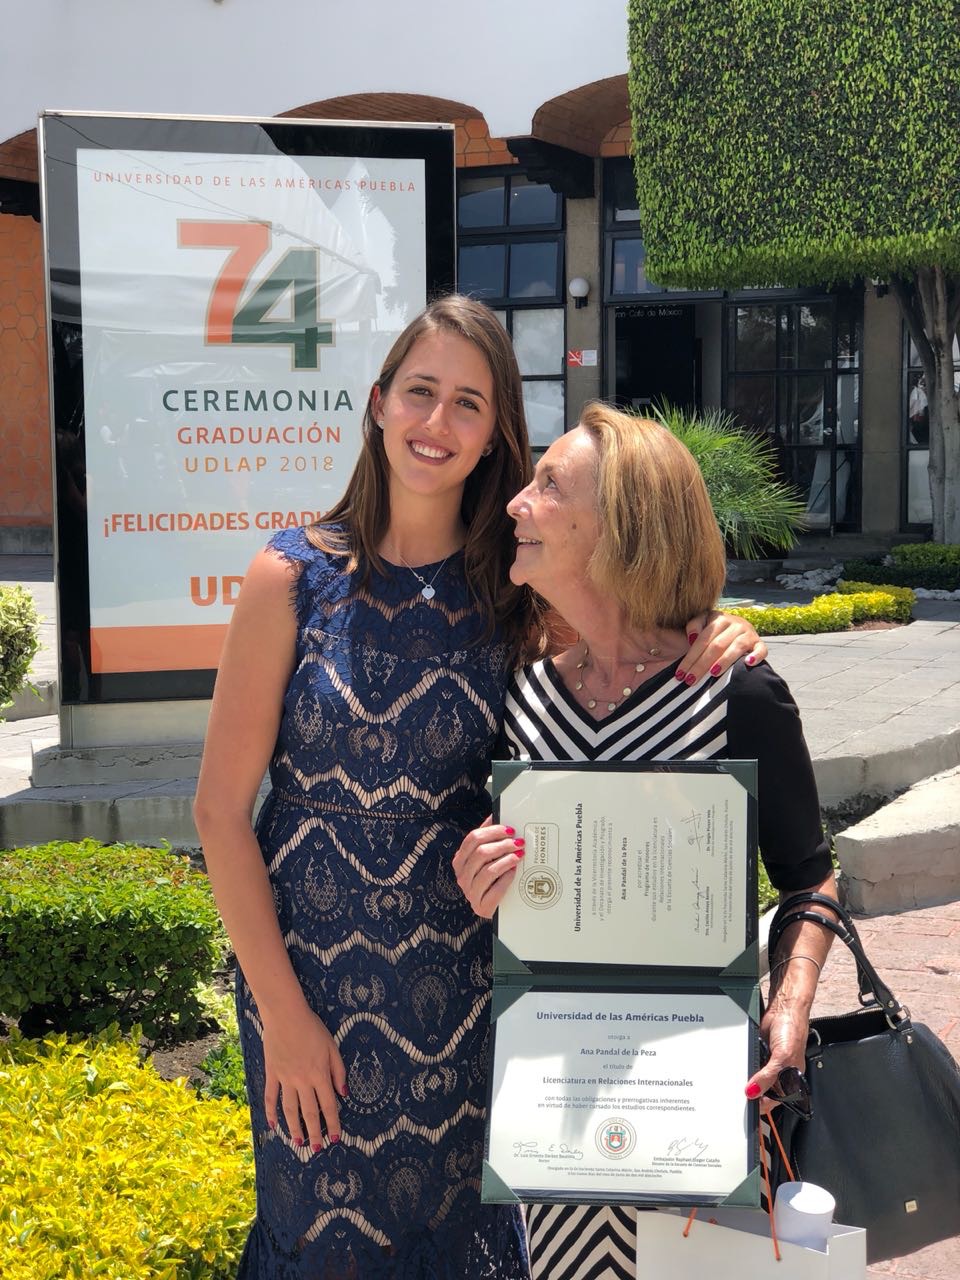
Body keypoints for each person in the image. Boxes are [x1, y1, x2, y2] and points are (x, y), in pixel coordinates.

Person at [193, 299, 766, 1280]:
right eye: (420, 391)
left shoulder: (519, 587)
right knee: (318, 1238)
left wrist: (719, 630)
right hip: (306, 986)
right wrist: (283, 1016)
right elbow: (218, 812)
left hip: (462, 992)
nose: (437, 421)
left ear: (496, 431)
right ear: (379, 402)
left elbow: (629, 666)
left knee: (459, 1245)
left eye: (468, 402)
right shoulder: (288, 577)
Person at [453, 402, 839, 1280]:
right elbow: (517, 892)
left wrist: (790, 1007)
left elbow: (810, 878)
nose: (515, 502)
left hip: (693, 1100)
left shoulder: (735, 694)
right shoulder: (523, 700)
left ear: (622, 526)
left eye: (550, 485)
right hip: (558, 1100)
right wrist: (479, 880)